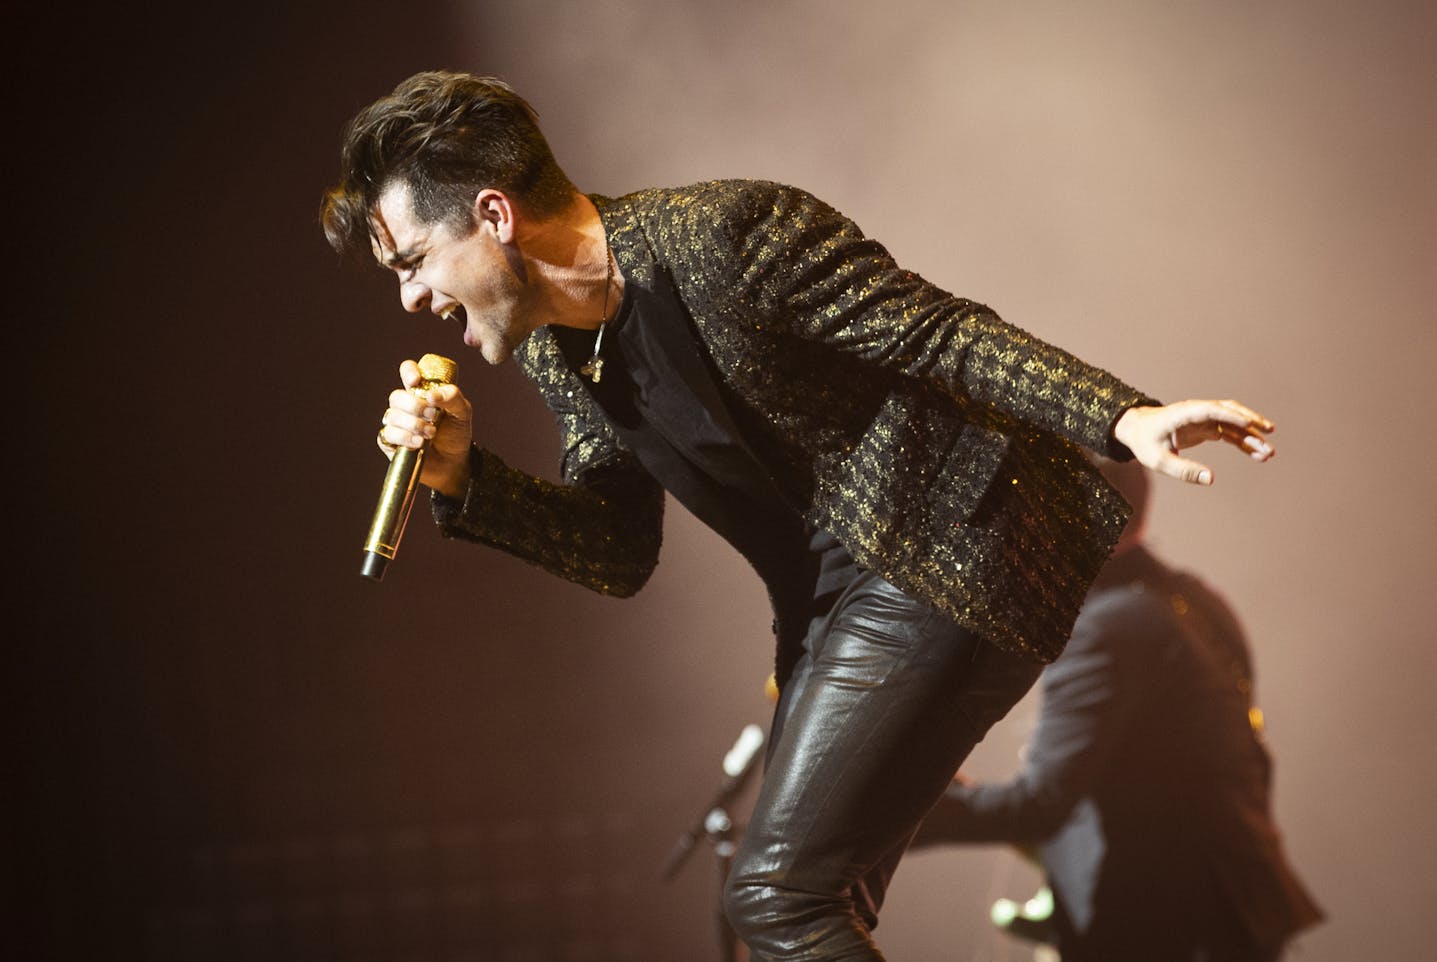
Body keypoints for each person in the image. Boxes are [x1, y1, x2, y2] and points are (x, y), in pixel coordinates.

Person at [320, 71, 1277, 961]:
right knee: (801, 902)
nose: (411, 296)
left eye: (412, 261)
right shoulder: (556, 352)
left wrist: (1120, 415)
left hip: (946, 551)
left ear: (494, 215)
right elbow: (617, 548)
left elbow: (937, 332)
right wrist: (460, 479)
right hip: (834, 607)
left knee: (778, 896)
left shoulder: (723, 234)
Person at [910, 457, 1322, 962]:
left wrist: (897, 799)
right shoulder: (1197, 599)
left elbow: (1038, 806)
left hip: (1166, 927)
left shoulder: (1105, 630)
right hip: (1237, 908)